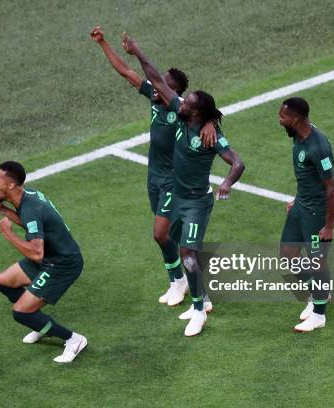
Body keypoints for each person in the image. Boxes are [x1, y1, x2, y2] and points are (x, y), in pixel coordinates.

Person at [123, 34, 245, 336]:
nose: (179, 102)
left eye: (187, 102)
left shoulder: (210, 135)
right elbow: (156, 80)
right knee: (169, 241)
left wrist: (227, 183)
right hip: (175, 195)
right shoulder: (182, 114)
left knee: (188, 254)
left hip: (196, 203)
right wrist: (138, 52)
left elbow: (238, 163)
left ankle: (198, 310)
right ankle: (196, 297)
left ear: (197, 112)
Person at [91, 26, 217, 308]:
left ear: (176, 91)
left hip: (175, 181)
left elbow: (210, 115)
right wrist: (104, 44)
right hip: (154, 177)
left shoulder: (183, 110)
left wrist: (209, 122)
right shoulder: (154, 98)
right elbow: (125, 71)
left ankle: (185, 284)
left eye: (162, 84)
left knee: (161, 233)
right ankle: (180, 281)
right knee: (166, 236)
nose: (156, 86)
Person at [0, 161, 87, 362]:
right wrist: (4, 210)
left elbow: (36, 254)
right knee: (3, 281)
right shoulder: (27, 197)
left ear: (10, 186)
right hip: (51, 257)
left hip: (61, 264)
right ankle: (39, 322)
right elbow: (29, 222)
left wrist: (8, 234)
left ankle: (73, 339)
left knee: (21, 313)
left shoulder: (31, 208)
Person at [278, 97, 334, 332]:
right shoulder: (298, 138)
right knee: (287, 254)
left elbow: (331, 189)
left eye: (282, 117)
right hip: (301, 206)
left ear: (295, 119)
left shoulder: (318, 147)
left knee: (318, 261)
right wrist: (297, 199)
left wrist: (329, 226)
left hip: (317, 213)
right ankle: (319, 290)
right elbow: (308, 179)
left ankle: (319, 313)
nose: (279, 120)